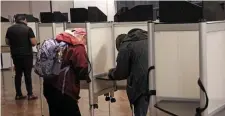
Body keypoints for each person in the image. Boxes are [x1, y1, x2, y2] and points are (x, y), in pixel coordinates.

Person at [43, 28, 91, 116]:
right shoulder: (77, 46)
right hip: (64, 89)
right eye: (86, 39)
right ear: (82, 36)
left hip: (48, 85)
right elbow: (82, 68)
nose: (85, 42)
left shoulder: (57, 41)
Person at [108, 29, 149, 116]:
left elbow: (121, 73)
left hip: (140, 86)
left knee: (140, 112)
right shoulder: (149, 38)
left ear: (119, 44)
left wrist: (111, 73)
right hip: (156, 81)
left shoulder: (125, 46)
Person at [5, 14, 38, 100]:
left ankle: (18, 94)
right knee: (27, 74)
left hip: (15, 55)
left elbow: (7, 42)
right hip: (26, 55)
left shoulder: (10, 29)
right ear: (24, 20)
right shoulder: (28, 29)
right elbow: (33, 43)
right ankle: (30, 94)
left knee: (18, 74)